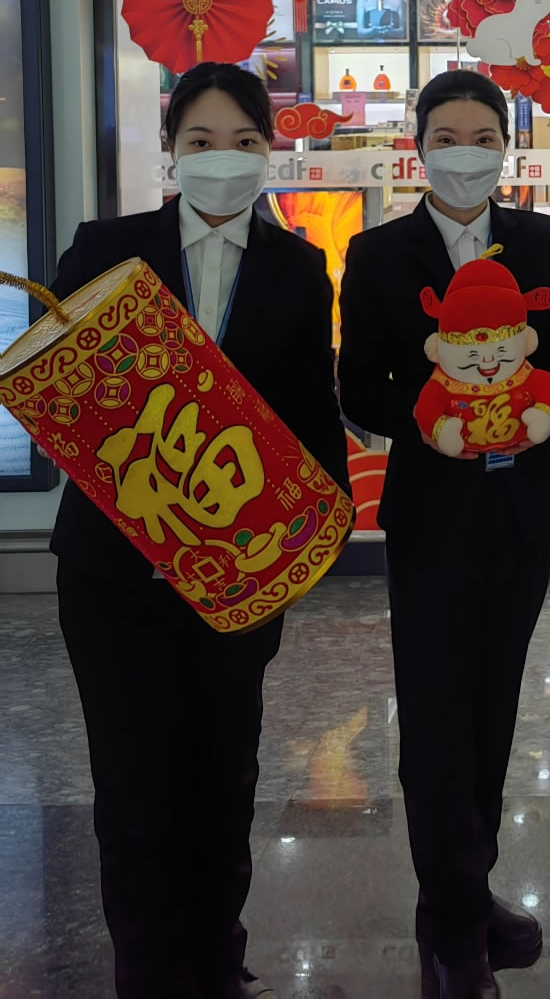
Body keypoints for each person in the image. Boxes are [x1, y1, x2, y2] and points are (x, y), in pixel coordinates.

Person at [51, 62, 349, 999]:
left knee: (226, 769)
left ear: (270, 151)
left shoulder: (297, 268)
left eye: (245, 141)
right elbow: (57, 390)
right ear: (171, 150)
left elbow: (310, 412)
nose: (224, 159)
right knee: (133, 782)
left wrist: (317, 530)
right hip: (113, 573)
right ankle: (146, 970)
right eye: (202, 141)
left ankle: (217, 957)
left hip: (237, 571)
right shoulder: (108, 248)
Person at [338, 69, 550, 999]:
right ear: (419, 147)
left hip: (526, 507)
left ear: (505, 148)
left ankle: (466, 892)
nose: (466, 153)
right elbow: (358, 387)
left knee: (494, 705)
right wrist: (441, 413)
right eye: (447, 136)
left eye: (484, 136)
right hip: (433, 512)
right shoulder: (378, 252)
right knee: (437, 713)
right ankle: (451, 929)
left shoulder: (541, 240)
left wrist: (532, 408)